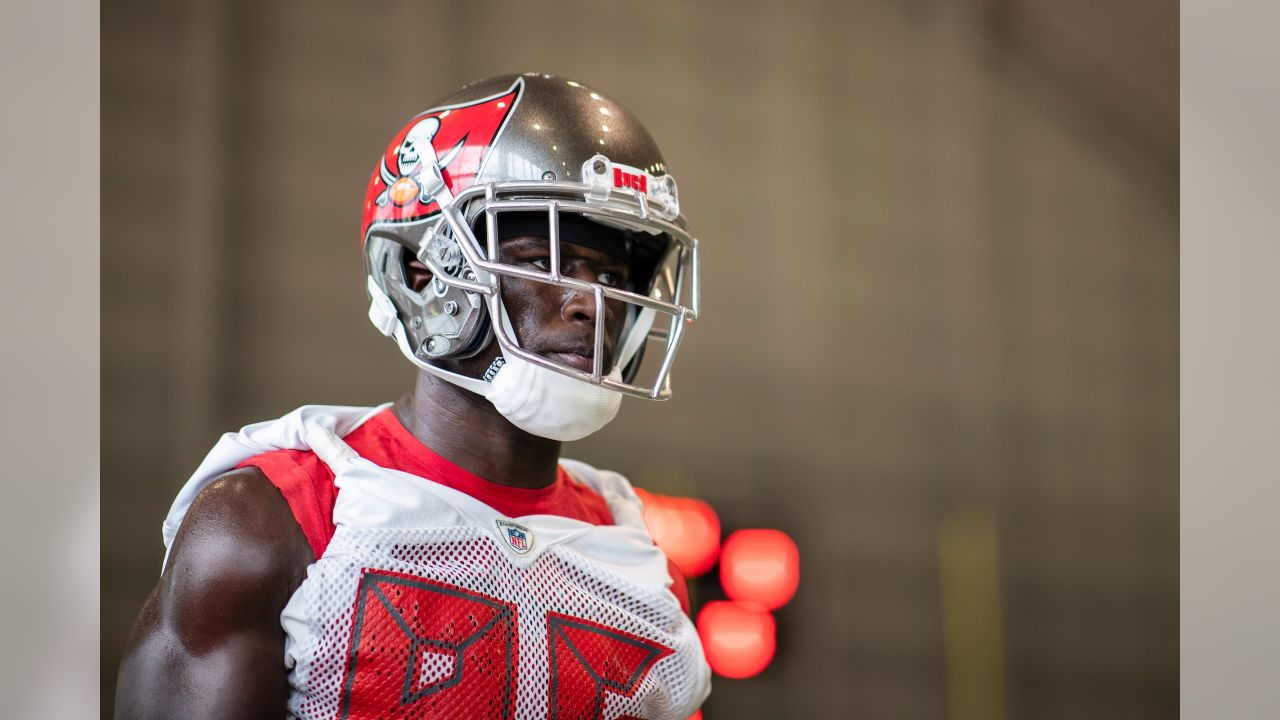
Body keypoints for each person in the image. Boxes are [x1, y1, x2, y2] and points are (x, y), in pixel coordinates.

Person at [116, 73, 711, 720]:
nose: (588, 304)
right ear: (421, 272)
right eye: (544, 261)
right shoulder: (272, 523)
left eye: (613, 275)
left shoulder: (642, 563)